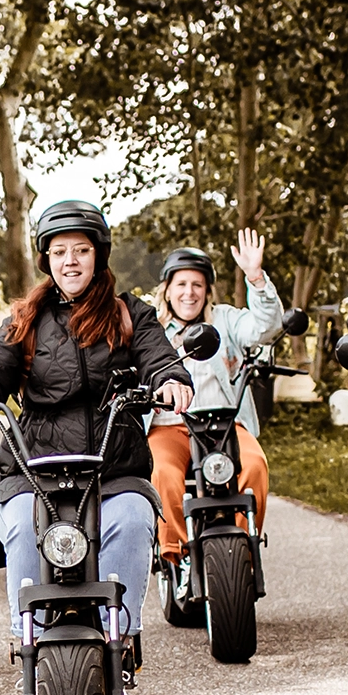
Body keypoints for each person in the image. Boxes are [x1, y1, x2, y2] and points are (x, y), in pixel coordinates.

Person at [0, 200, 193, 695]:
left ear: (99, 256)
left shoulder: (128, 313)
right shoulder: (25, 318)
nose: (70, 261)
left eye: (81, 250)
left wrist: (171, 378)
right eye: (59, 252)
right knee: (22, 525)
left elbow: (159, 355)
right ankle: (26, 643)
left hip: (112, 468)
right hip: (35, 469)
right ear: (46, 260)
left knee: (135, 517)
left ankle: (123, 640)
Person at [147, 230, 284, 567]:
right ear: (167, 290)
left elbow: (265, 328)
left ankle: (242, 552)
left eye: (197, 284)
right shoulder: (150, 327)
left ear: (207, 290)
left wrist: (256, 277)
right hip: (169, 426)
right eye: (181, 284)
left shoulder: (225, 319)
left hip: (224, 425)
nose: (189, 293)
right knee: (162, 473)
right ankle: (176, 556)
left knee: (254, 466)